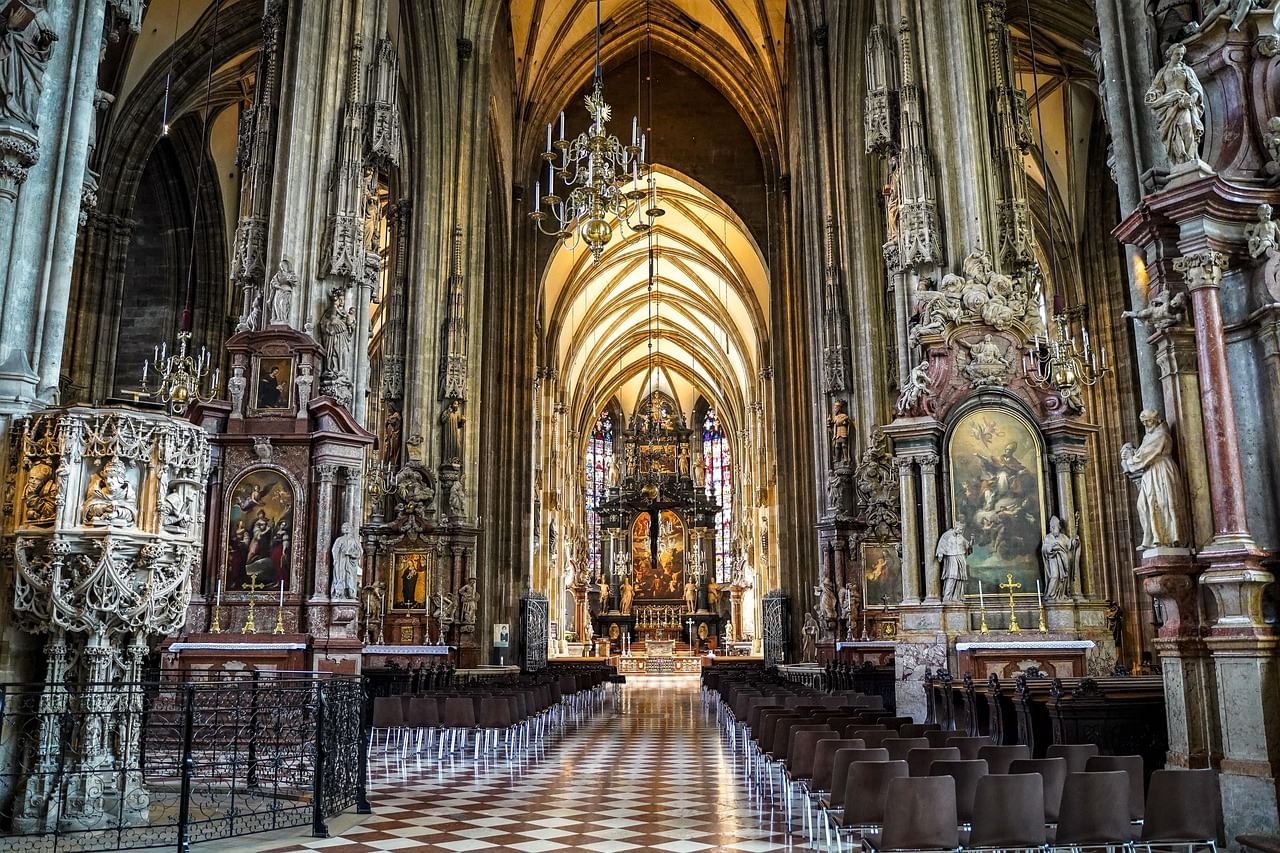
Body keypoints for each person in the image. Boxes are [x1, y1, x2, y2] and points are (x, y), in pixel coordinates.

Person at [1120, 410, 1190, 549]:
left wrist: (1130, 459)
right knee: (1144, 505)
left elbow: (1147, 454)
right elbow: (1142, 452)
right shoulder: (1149, 436)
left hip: (1161, 471)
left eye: (1149, 421)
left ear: (1157, 420)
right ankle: (1152, 538)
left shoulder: (1161, 435)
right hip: (1149, 473)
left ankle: (1169, 538)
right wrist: (1131, 454)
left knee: (1164, 502)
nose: (1146, 425)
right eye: (1144, 423)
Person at [1040, 515, 1080, 600]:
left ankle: (1061, 594)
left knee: (1063, 578)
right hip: (1054, 559)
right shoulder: (1048, 537)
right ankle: (1050, 595)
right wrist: (1051, 547)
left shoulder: (1063, 537)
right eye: (1053, 527)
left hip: (1064, 561)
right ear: (1051, 528)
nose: (1055, 529)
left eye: (1056, 527)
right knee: (1055, 576)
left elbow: (1070, 545)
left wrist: (1074, 541)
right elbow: (1044, 549)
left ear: (1059, 527)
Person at [936, 518, 973, 602]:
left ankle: (957, 596)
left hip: (960, 557)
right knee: (952, 575)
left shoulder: (960, 537)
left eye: (961, 530)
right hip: (951, 556)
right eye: (959, 529)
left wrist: (971, 541)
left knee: (960, 577)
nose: (960, 531)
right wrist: (940, 553)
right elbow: (942, 544)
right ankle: (947, 596)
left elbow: (967, 546)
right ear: (955, 528)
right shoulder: (947, 535)